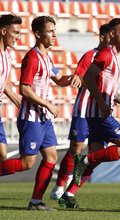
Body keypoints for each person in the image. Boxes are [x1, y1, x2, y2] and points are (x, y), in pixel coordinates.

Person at [58, 18, 120, 208]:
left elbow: (108, 90)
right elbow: (87, 76)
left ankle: (68, 194)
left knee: (96, 159)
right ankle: (83, 160)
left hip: (98, 113)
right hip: (99, 114)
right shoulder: (106, 54)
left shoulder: (113, 56)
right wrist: (101, 103)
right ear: (112, 34)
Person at [0, 16, 81, 211]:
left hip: (43, 119)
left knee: (51, 157)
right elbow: (24, 88)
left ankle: (36, 202)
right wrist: (48, 104)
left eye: (55, 31)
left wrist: (77, 76)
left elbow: (60, 79)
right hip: (31, 118)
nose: (55, 35)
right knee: (27, 163)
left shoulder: (46, 58)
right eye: (50, 31)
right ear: (38, 34)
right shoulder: (33, 57)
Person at [50, 23, 110, 201]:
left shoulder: (112, 57)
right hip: (84, 108)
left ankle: (71, 188)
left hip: (99, 111)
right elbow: (79, 78)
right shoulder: (90, 56)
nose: (112, 40)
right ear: (102, 37)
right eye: (110, 37)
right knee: (75, 149)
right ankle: (59, 187)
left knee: (97, 151)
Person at [0, 14, 22, 161]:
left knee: (2, 154)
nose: (18, 37)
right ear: (3, 31)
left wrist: (19, 103)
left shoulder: (7, 54)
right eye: (15, 32)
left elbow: (3, 82)